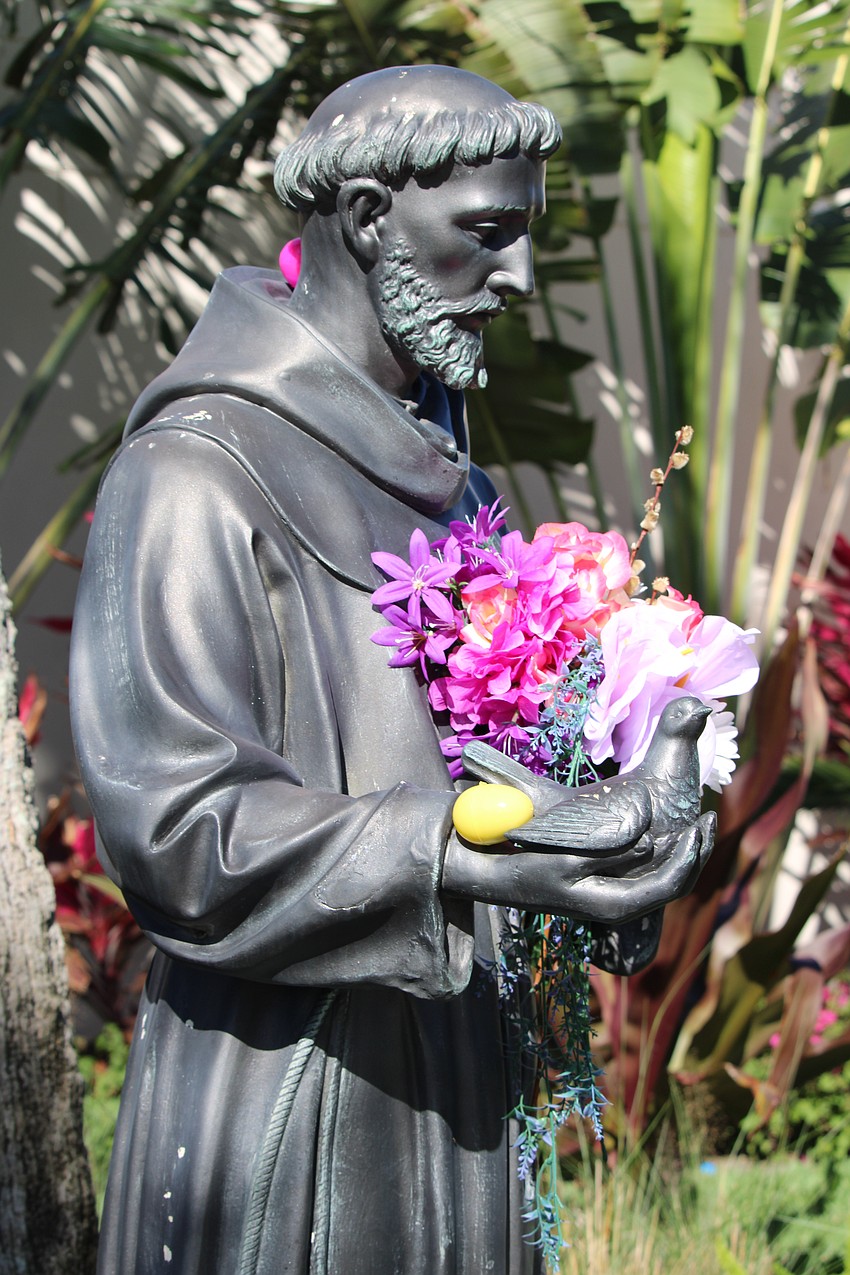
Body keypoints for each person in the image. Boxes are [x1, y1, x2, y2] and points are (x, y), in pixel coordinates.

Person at [70, 65, 713, 1275]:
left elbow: (496, 772)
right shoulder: (195, 473)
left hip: (458, 1093)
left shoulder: (456, 484)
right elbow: (178, 830)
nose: (518, 282)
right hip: (287, 1103)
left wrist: (610, 833)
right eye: (485, 234)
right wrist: (446, 851)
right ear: (368, 220)